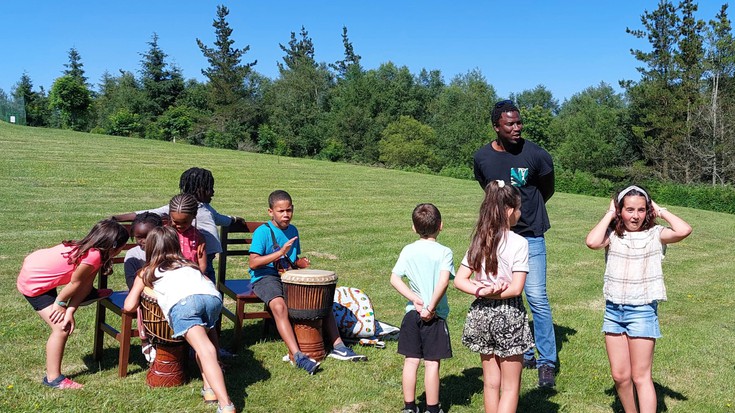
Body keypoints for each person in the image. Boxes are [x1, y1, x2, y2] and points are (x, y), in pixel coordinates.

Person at [473, 99, 557, 387]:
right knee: (509, 296)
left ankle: (547, 361)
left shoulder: (536, 154)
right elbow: (489, 194)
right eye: (510, 123)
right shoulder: (482, 157)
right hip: (498, 238)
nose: (517, 128)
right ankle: (521, 352)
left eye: (519, 122)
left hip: (531, 235)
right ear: (496, 126)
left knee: (536, 297)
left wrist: (526, 213)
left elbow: (547, 189)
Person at [585, 185, 691, 413]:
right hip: (614, 311)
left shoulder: (656, 234)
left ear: (648, 210)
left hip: (642, 311)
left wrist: (660, 210)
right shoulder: (613, 235)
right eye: (629, 209)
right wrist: (608, 214)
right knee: (620, 376)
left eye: (641, 210)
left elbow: (684, 230)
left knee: (640, 376)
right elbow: (592, 242)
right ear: (620, 210)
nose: (635, 216)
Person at [248, 190, 367, 374]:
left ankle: (339, 346)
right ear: (270, 212)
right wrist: (280, 253)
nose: (286, 214)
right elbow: (253, 263)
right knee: (279, 306)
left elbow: (290, 262)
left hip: (288, 277)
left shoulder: (293, 230)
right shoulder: (262, 232)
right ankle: (298, 356)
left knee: (321, 300)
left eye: (289, 210)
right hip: (264, 277)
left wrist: (299, 263)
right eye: (281, 211)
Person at [124, 226, 235, 413]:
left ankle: (226, 404)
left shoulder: (147, 271)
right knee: (203, 346)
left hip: (185, 305)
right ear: (176, 245)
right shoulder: (189, 265)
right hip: (212, 299)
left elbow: (128, 306)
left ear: (150, 248)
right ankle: (209, 390)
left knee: (204, 349)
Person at [17, 219, 129, 389]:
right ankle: (54, 379)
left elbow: (83, 285)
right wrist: (61, 304)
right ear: (115, 247)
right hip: (34, 283)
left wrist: (71, 310)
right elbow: (76, 283)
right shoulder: (94, 256)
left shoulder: (93, 252)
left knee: (77, 300)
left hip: (38, 268)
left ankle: (90, 295)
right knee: (62, 328)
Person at [454, 180, 535, 413]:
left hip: (481, 315)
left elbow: (460, 280)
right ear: (509, 210)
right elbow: (516, 288)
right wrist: (496, 291)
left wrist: (481, 291)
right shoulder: (520, 243)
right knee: (510, 387)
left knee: (490, 383)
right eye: (518, 209)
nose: (519, 213)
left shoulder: (480, 238)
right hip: (508, 316)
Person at [114, 167, 243, 283]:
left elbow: (220, 218)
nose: (213, 192)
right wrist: (117, 218)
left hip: (205, 260)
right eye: (209, 189)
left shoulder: (205, 207)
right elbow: (150, 213)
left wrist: (235, 219)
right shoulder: (179, 208)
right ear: (199, 189)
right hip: (187, 261)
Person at [390, 203, 454, 413]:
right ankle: (432, 409)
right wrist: (431, 307)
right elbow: (444, 282)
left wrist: (414, 299)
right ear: (441, 226)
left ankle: (409, 407)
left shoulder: (408, 250)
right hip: (434, 316)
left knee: (411, 361)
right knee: (432, 363)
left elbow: (395, 278)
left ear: (413, 228)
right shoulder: (445, 252)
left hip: (412, 314)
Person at [123, 212, 164, 363]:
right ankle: (146, 340)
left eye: (147, 236)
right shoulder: (133, 255)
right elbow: (131, 284)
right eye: (139, 236)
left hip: (164, 294)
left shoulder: (166, 250)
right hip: (141, 296)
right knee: (143, 305)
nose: (143, 241)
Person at [167, 193, 207, 273]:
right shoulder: (164, 234)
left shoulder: (197, 237)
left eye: (184, 222)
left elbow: (203, 265)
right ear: (170, 215)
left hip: (192, 277)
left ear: (194, 215)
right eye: (176, 222)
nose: (180, 226)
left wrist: (197, 278)